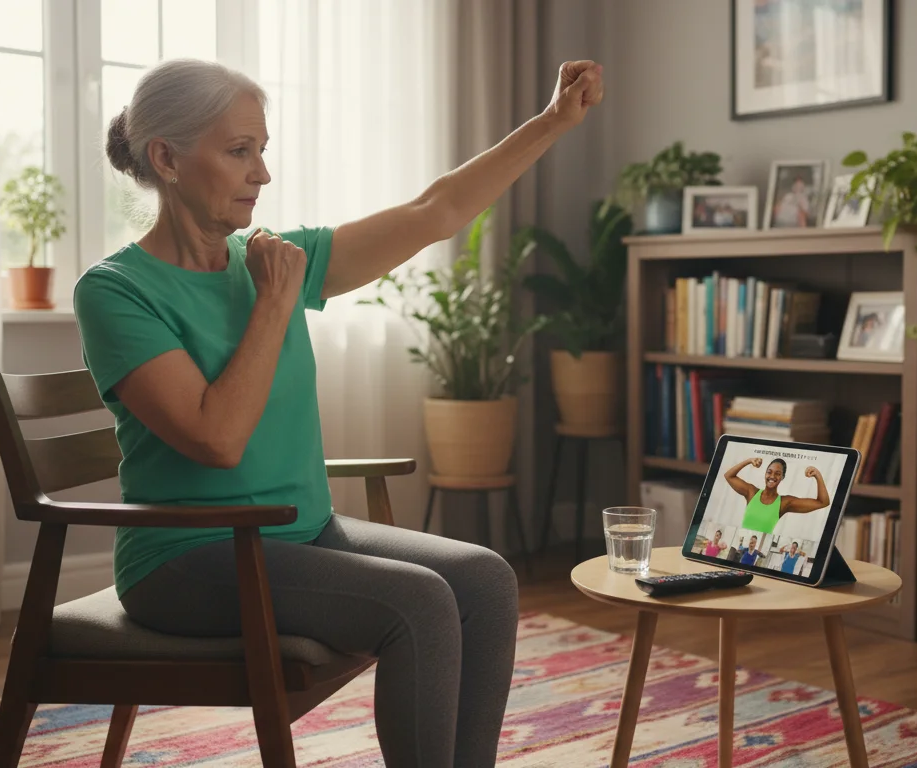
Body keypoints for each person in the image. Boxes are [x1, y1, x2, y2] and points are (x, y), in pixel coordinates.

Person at [74, 57, 604, 768]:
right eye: (239, 152)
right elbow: (217, 438)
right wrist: (273, 303)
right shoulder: (116, 291)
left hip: (299, 535)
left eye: (262, 149)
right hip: (188, 559)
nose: (261, 173)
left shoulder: (276, 261)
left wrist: (552, 122)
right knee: (418, 603)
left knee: (484, 580)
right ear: (166, 157)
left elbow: (434, 212)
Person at [724, 456, 830, 536]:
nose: (772, 476)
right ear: (765, 474)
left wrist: (817, 475)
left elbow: (823, 502)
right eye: (769, 472)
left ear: (782, 477)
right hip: (739, 542)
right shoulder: (751, 492)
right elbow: (729, 476)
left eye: (777, 474)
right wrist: (749, 461)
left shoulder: (784, 503)